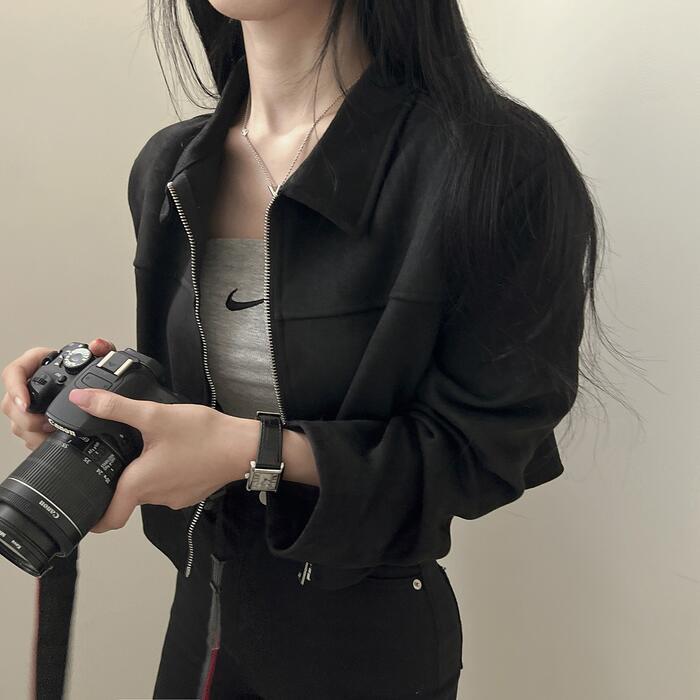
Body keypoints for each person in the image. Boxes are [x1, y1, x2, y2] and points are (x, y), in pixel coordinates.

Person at [1, 1, 601, 698]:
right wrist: (100, 409)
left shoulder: (495, 165)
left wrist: (251, 451)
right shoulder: (170, 167)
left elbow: (485, 453)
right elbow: (212, 400)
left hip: (362, 647)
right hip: (201, 626)